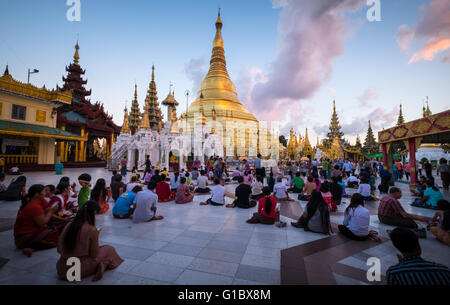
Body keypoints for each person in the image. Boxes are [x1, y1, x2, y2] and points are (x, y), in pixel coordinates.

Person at [57, 200, 124, 282]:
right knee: (109, 249)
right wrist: (95, 237)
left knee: (103, 249)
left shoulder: (69, 224)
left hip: (62, 269)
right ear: (93, 213)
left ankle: (103, 265)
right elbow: (94, 255)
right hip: (77, 270)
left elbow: (59, 249)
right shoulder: (91, 229)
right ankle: (103, 265)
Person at [13, 184, 62, 257]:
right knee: (58, 235)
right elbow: (42, 223)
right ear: (37, 194)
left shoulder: (33, 203)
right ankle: (33, 247)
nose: (45, 193)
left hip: (22, 235)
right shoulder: (34, 206)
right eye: (44, 191)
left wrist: (47, 211)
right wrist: (51, 212)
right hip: (24, 238)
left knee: (56, 228)